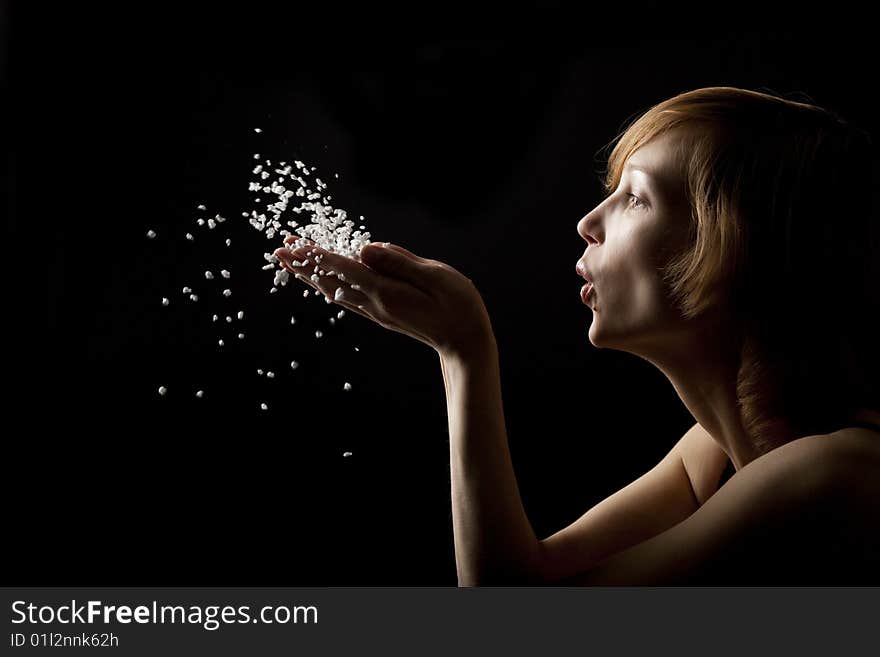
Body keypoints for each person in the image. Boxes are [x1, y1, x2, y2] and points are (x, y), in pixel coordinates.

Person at [274, 86, 880, 585]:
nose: (590, 222)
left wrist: (464, 355)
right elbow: (528, 582)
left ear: (732, 255)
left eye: (637, 198)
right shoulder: (714, 453)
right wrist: (453, 346)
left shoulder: (833, 474)